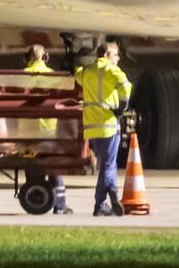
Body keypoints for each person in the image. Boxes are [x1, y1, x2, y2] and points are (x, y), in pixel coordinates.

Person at [75, 40, 133, 216]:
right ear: (106, 55)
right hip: (109, 125)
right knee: (108, 165)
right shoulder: (111, 70)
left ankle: (103, 203)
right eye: (116, 55)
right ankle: (109, 194)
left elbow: (77, 75)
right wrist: (122, 106)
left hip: (91, 129)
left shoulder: (86, 71)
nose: (118, 58)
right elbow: (126, 86)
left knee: (106, 165)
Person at [25, 44, 70, 213]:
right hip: (48, 128)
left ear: (27, 58)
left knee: (31, 163)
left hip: (27, 130)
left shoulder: (22, 75)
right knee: (53, 164)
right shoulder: (52, 75)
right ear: (45, 57)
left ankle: (35, 195)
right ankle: (59, 204)